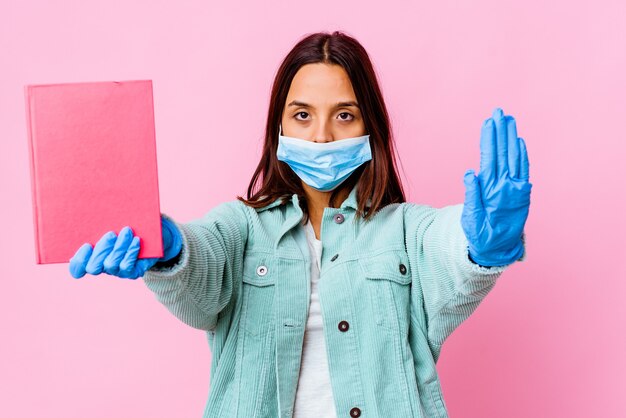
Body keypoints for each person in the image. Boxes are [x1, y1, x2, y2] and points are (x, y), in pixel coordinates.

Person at [69, 30, 532, 418]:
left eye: (344, 115)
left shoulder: (406, 233)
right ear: (279, 126)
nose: (322, 135)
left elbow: (448, 251)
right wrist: (169, 245)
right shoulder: (242, 229)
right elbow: (203, 259)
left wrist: (484, 245)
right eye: (303, 115)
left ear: (371, 126)